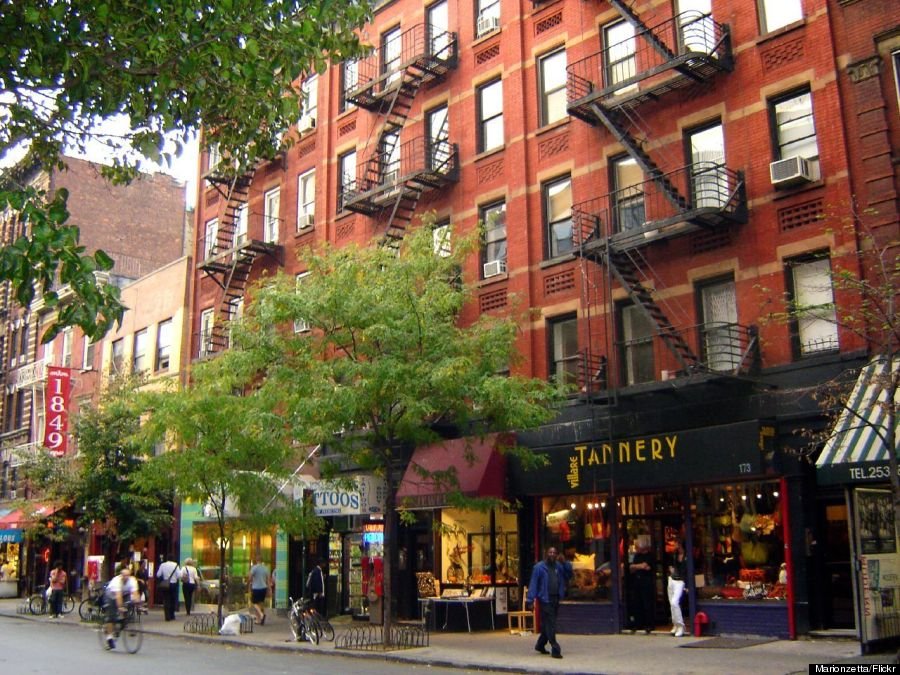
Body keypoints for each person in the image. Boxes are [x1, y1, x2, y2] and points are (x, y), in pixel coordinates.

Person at [526, 546, 572, 660]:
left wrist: (565, 562)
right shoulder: (539, 567)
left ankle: (540, 644)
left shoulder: (558, 566)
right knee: (551, 622)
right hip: (545, 599)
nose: (552, 554)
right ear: (546, 553)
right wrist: (530, 600)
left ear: (556, 555)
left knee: (548, 623)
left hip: (555, 598)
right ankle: (555, 648)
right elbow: (533, 584)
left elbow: (569, 575)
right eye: (550, 552)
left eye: (554, 552)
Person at [102, 565, 140, 650]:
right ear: (121, 575)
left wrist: (138, 604)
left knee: (129, 606)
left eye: (128, 575)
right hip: (112, 595)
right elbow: (118, 596)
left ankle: (122, 623)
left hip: (125, 594)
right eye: (124, 575)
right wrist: (120, 607)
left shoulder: (132, 580)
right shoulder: (117, 581)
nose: (126, 577)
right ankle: (109, 637)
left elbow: (135, 593)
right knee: (111, 617)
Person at [628, 535, 656, 634]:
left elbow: (646, 566)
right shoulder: (637, 556)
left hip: (646, 582)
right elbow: (631, 568)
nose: (636, 548)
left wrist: (637, 566)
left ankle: (649, 624)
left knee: (647, 603)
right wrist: (640, 566)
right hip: (637, 581)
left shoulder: (650, 556)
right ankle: (638, 624)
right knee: (637, 602)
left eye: (637, 546)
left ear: (643, 547)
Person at [667, 542, 687, 637]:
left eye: (679, 546)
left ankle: (681, 626)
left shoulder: (687, 557)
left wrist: (688, 585)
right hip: (672, 579)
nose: (678, 548)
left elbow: (688, 570)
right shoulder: (674, 556)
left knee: (675, 602)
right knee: (671, 603)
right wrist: (671, 569)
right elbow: (670, 565)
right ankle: (675, 624)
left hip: (680, 581)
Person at [156, 553, 181, 621]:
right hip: (173, 584)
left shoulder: (162, 565)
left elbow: (158, 574)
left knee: (166, 600)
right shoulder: (176, 565)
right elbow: (179, 575)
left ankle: (167, 616)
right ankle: (172, 615)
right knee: (173, 600)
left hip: (165, 584)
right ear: (173, 559)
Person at [248, 558, 270, 625]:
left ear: (256, 561)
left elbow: (250, 577)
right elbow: (268, 580)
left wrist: (250, 582)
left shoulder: (254, 568)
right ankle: (258, 620)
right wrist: (269, 589)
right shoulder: (266, 568)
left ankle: (261, 614)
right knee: (260, 603)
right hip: (264, 588)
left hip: (256, 588)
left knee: (254, 603)